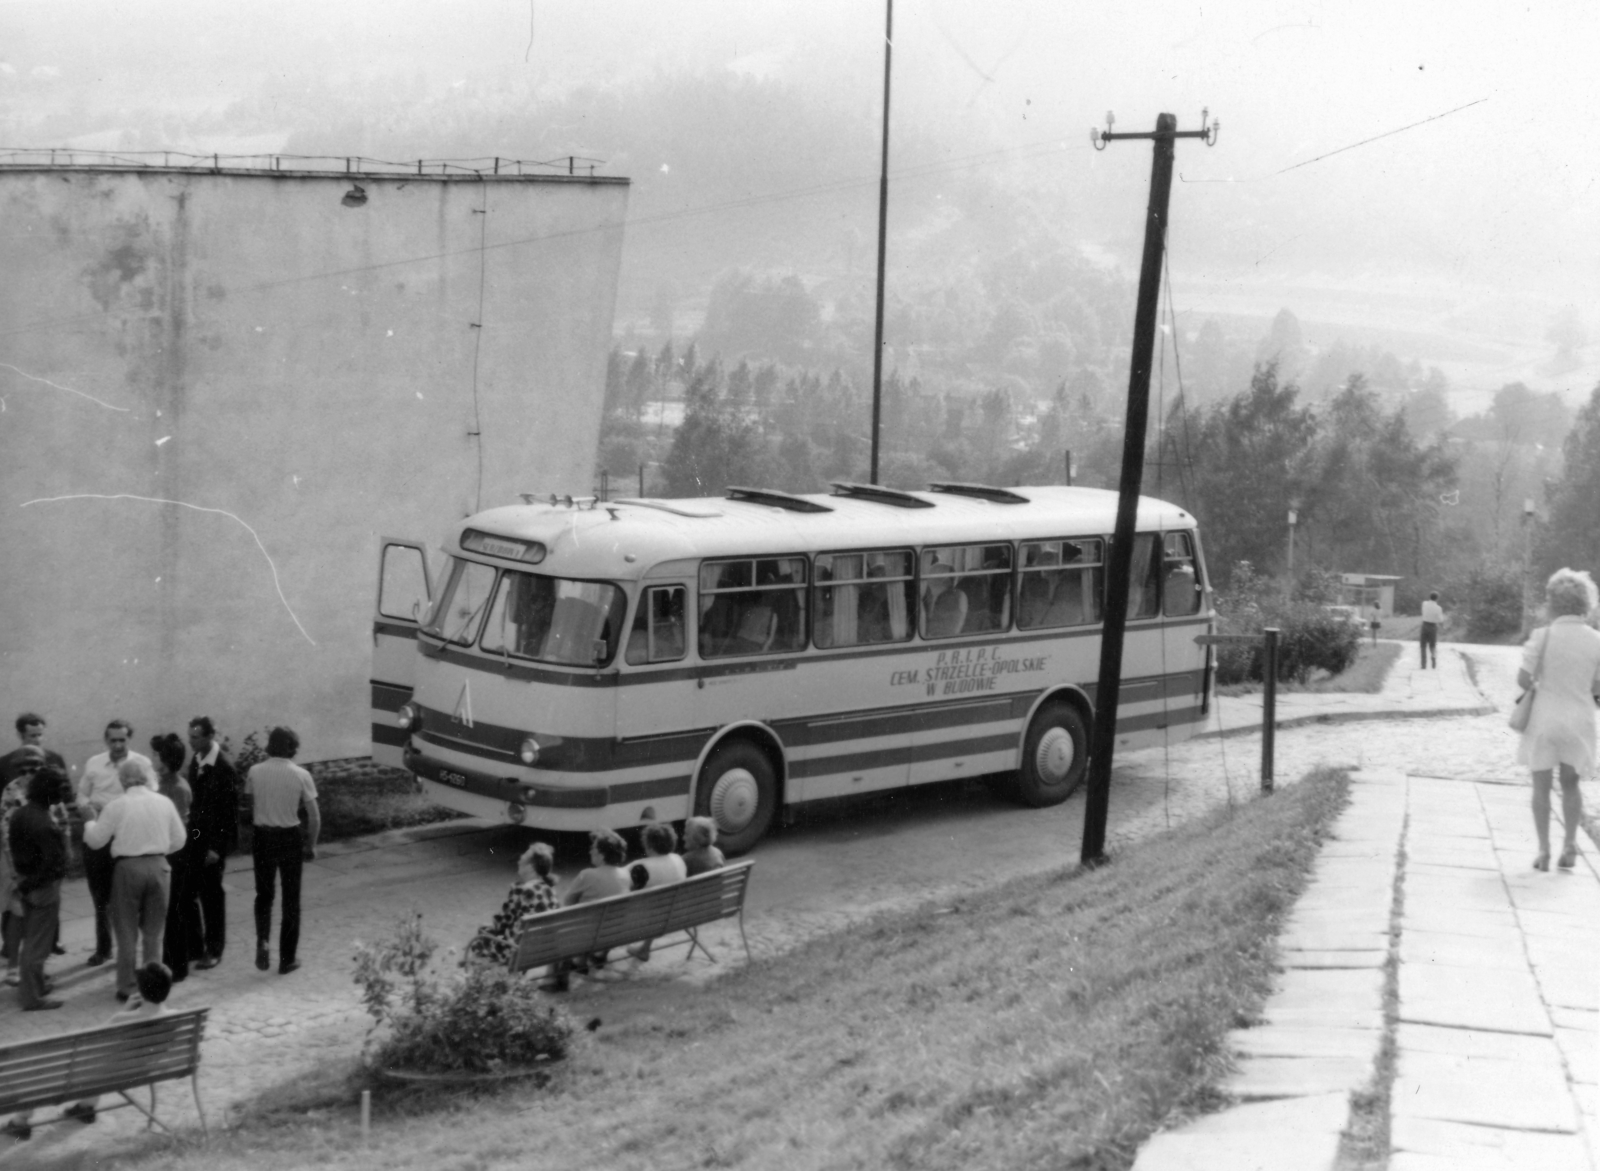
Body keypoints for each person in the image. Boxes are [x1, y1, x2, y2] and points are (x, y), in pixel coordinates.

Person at [4, 961, 175, 1141]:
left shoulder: (123, 1018)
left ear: (141, 990)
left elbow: (92, 1038)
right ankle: (86, 1107)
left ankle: (20, 1121)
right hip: (141, 1070)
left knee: (37, 1069)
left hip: (99, 1072)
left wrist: (124, 1011)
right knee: (103, 1062)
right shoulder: (176, 1016)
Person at [1516, 568, 1600, 872]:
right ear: (1585, 602)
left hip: (1545, 719)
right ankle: (1569, 845)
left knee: (1540, 786)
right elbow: (1598, 688)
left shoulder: (1542, 636)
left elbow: (1524, 679)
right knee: (1572, 784)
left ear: (1553, 601)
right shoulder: (1597, 640)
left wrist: (1541, 685)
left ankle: (1543, 850)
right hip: (1580, 721)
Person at [85, 759, 186, 1001]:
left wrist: (89, 821)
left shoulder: (116, 805)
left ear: (122, 780)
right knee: (153, 932)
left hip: (128, 868)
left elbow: (96, 840)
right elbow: (180, 839)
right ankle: (152, 986)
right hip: (159, 866)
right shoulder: (164, 802)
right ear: (149, 777)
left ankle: (127, 986)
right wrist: (158, 848)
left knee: (126, 930)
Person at [242, 726, 320, 976]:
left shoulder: (255, 772)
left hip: (263, 837)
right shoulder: (301, 775)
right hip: (289, 839)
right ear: (292, 748)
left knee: (264, 895)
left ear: (270, 746)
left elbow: (250, 805)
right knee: (290, 900)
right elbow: (315, 817)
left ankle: (263, 939)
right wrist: (311, 844)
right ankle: (287, 960)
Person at [77, 720, 152, 967]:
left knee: (131, 897)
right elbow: (82, 794)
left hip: (127, 837)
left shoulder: (142, 763)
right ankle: (104, 948)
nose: (118, 745)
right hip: (100, 834)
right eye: (113, 740)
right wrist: (88, 806)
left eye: (122, 740)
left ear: (129, 740)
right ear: (106, 740)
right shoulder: (94, 764)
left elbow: (152, 793)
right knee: (100, 896)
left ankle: (133, 952)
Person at [8, 766, 69, 1010]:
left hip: (26, 881)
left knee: (31, 940)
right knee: (38, 945)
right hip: (42, 888)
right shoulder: (44, 822)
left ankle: (35, 987)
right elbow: (53, 864)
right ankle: (32, 997)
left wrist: (22, 885)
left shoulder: (21, 814)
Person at [540, 829, 629, 993]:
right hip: (613, 933)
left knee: (560, 922)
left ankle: (553, 978)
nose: (590, 851)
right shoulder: (625, 875)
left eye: (593, 848)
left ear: (602, 855)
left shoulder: (587, 874)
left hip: (585, 935)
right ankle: (580, 962)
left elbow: (568, 902)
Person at [184, 716, 239, 970]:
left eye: (195, 737)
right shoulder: (196, 762)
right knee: (190, 891)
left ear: (209, 737)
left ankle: (215, 949)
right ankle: (194, 947)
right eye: (190, 736)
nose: (190, 741)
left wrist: (217, 848)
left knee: (212, 896)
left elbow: (228, 814)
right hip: (196, 838)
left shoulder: (223, 767)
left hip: (213, 845)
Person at [465, 841, 557, 967]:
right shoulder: (550, 890)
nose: (519, 862)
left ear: (530, 867)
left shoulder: (521, 890)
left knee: (482, 934)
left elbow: (501, 924)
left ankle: (478, 975)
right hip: (544, 950)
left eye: (522, 859)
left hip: (516, 952)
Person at [150, 734, 194, 982]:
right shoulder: (164, 783)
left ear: (165, 760)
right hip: (166, 851)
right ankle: (169, 960)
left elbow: (173, 826)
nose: (153, 757)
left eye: (156, 754)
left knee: (175, 909)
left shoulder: (176, 787)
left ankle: (178, 965)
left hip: (175, 853)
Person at [625, 821, 688, 963]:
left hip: (640, 922)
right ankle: (645, 948)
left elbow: (618, 886)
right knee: (658, 904)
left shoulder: (641, 867)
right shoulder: (678, 859)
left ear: (649, 845)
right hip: (677, 916)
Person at [1419, 591, 1444, 668]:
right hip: (1433, 626)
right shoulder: (1438, 608)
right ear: (1437, 599)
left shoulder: (1424, 604)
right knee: (1432, 645)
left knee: (1423, 645)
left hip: (1425, 625)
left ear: (1429, 597)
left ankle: (1423, 663)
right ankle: (1433, 660)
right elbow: (1440, 620)